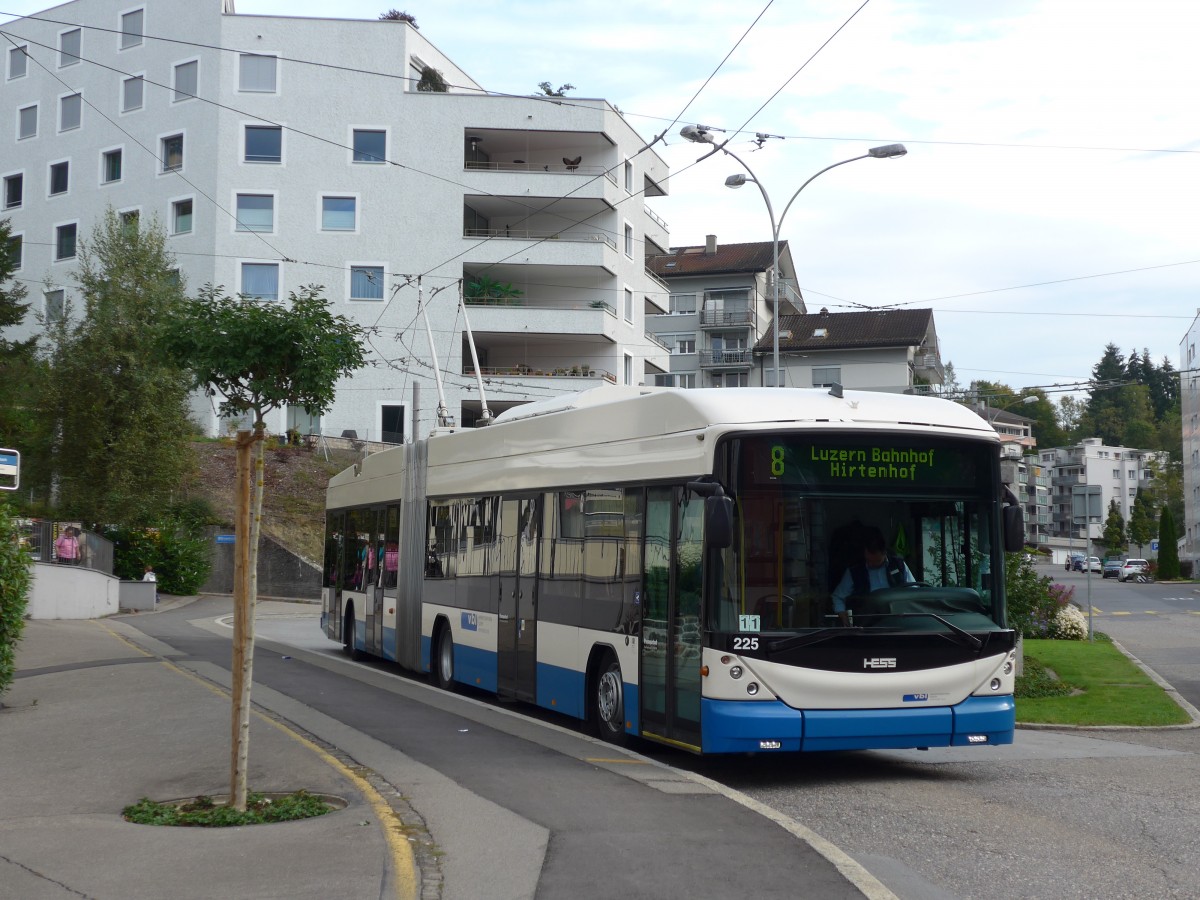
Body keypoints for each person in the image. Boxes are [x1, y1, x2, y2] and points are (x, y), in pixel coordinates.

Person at [830, 527, 914, 624]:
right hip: (867, 621)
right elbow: (838, 596)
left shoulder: (899, 565)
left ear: (884, 553)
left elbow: (914, 591)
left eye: (876, 561)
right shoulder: (855, 571)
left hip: (897, 617)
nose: (871, 564)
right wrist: (841, 611)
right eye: (869, 560)